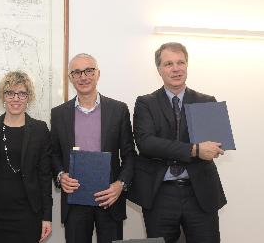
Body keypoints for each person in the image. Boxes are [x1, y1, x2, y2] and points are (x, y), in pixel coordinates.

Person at [128, 42, 226, 243]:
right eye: (169, 64)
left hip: (199, 193)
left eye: (180, 62)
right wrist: (195, 149)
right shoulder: (145, 103)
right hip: (159, 194)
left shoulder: (206, 102)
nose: (176, 69)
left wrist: (210, 148)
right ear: (159, 70)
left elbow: (214, 146)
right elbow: (146, 143)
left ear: (187, 65)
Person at [51, 53, 136, 243]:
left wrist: (120, 185)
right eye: (77, 72)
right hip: (75, 200)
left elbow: (130, 155)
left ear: (98, 74)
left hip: (110, 198)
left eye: (89, 71)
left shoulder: (118, 110)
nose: (83, 77)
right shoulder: (59, 114)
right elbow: (54, 153)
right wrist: (60, 175)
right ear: (71, 78)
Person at [0, 71, 52, 243]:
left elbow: (45, 177)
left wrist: (47, 216)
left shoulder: (40, 129)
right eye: (10, 93)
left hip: (29, 213)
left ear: (28, 97)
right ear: (3, 96)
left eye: (22, 93)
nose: (15, 98)